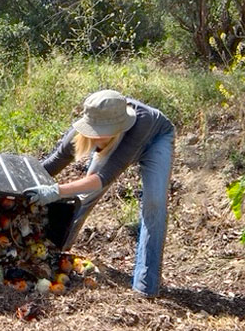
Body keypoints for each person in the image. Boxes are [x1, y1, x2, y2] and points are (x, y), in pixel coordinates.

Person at [24, 90, 175, 298]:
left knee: (154, 203)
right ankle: (53, 254)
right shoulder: (84, 129)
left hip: (156, 140)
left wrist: (57, 191)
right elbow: (54, 162)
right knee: (84, 197)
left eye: (103, 132)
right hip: (120, 144)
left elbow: (104, 178)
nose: (97, 135)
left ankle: (145, 285)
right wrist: (24, 183)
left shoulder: (142, 122)